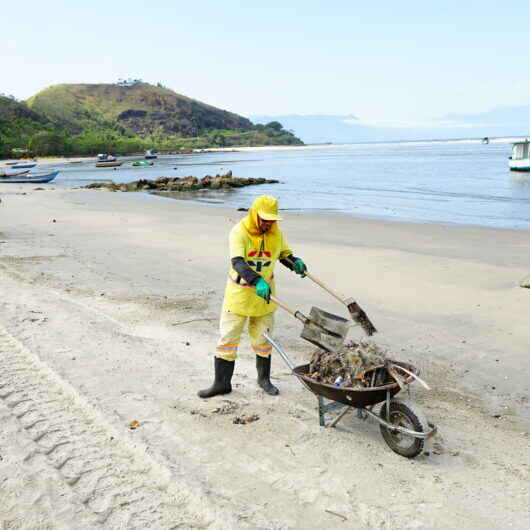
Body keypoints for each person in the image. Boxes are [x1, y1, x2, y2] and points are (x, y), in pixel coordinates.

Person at [198, 195, 306, 398]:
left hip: (265, 298)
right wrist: (257, 281)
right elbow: (237, 263)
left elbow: (284, 255)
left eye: (271, 220)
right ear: (254, 214)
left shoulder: (276, 233)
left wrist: (295, 262)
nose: (267, 223)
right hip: (239, 295)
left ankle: (264, 380)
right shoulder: (239, 231)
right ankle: (221, 384)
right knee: (228, 339)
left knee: (264, 340)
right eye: (264, 219)